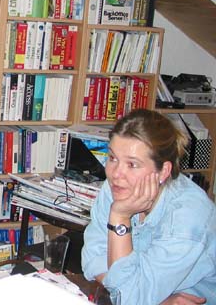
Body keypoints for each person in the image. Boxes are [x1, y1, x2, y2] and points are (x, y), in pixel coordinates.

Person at [82, 109, 216, 305]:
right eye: (112, 158)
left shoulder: (187, 218)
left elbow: (126, 297)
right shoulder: (118, 188)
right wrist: (153, 299)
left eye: (132, 164)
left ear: (164, 171)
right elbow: (92, 259)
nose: (115, 173)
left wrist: (120, 217)